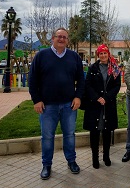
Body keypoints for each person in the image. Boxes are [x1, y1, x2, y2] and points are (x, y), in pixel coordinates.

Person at [29, 27, 85, 180]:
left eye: (64, 37)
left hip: (69, 105)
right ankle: (46, 165)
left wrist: (78, 97)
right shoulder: (41, 56)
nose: (61, 39)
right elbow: (32, 80)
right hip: (48, 106)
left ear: (68, 40)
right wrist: (37, 100)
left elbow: (81, 79)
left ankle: (71, 161)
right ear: (52, 38)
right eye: (59, 36)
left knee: (69, 135)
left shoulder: (74, 57)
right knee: (47, 136)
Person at [83, 44, 121, 169]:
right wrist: (96, 98)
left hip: (108, 104)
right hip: (95, 105)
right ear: (98, 55)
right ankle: (95, 157)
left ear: (108, 54)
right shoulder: (93, 68)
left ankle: (106, 156)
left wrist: (107, 97)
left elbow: (117, 86)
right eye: (101, 54)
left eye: (105, 53)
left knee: (107, 131)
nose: (103, 56)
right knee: (94, 131)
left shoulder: (115, 68)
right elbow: (87, 85)